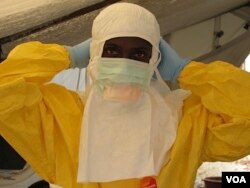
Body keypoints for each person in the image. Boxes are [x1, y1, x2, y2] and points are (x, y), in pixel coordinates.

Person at [0, 2, 250, 188]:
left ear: (155, 60)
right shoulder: (63, 116)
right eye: (112, 50)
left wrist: (185, 70)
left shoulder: (185, 120)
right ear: (94, 54)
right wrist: (67, 56)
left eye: (139, 54)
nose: (124, 63)